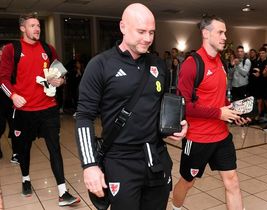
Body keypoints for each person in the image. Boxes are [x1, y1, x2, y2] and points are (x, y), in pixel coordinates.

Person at [75, 3, 187, 210]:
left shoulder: (158, 64)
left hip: (156, 157)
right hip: (120, 160)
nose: (148, 38)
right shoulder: (100, 65)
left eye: (152, 32)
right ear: (123, 27)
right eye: (141, 31)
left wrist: (177, 126)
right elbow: (83, 116)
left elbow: (163, 105)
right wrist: (89, 165)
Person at [0, 12, 79, 205]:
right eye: (32, 25)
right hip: (24, 110)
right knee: (24, 149)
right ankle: (25, 179)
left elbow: (60, 74)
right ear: (22, 28)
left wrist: (59, 80)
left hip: (48, 109)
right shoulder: (12, 49)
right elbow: (2, 79)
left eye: (38, 26)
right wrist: (13, 95)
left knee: (55, 149)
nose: (37, 29)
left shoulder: (48, 48)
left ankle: (63, 192)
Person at [172, 14, 250, 210]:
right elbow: (184, 105)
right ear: (206, 33)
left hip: (222, 136)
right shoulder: (192, 64)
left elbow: (220, 99)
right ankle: (175, 208)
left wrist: (233, 113)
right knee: (188, 182)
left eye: (225, 32)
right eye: (220, 32)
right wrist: (218, 113)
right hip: (197, 138)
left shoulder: (221, 63)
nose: (225, 37)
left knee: (232, 181)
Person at [0, 44, 20, 162]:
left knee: (15, 128)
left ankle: (16, 153)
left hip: (13, 103)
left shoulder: (14, 66)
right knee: (0, 127)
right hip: (0, 104)